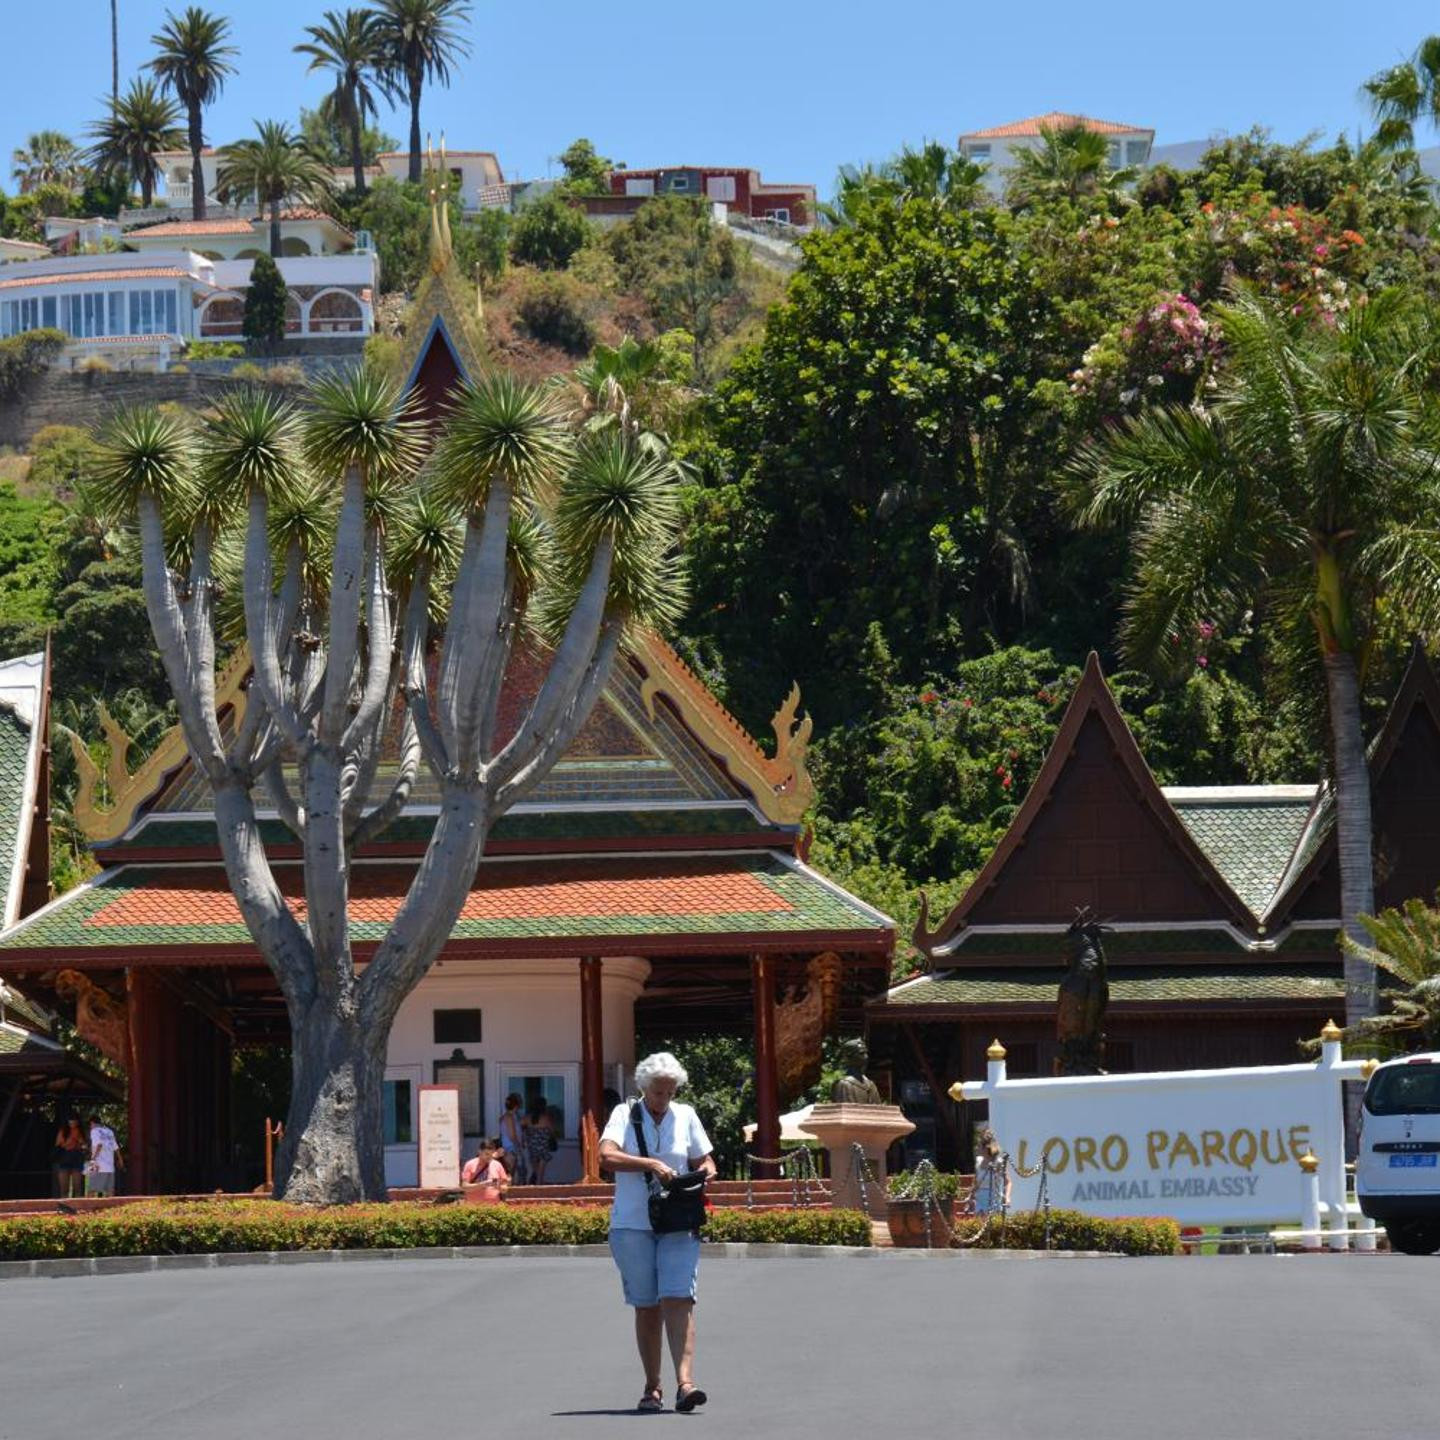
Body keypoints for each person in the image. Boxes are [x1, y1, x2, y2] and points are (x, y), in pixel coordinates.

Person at [599, 1051, 716, 1415]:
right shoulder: (624, 1114)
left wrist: (706, 1171)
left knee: (679, 1298)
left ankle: (685, 1384)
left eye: (670, 1092)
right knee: (647, 1306)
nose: (664, 1099)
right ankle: (653, 1386)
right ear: (644, 1087)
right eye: (658, 1092)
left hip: (678, 1222)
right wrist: (650, 1164)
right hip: (633, 1224)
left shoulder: (686, 1115)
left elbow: (705, 1159)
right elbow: (606, 1156)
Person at [972, 1127, 1011, 1215]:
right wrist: (970, 1197)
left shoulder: (999, 1162)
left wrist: (1007, 1197)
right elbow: (976, 1183)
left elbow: (1008, 1182)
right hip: (980, 1199)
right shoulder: (978, 1161)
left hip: (994, 1199)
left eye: (979, 1145)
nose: (977, 1148)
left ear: (986, 1148)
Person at [84, 1115, 123, 1197]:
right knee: (110, 1191)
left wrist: (93, 1159)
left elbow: (99, 1145)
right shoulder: (109, 1131)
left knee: (91, 1190)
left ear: (92, 1123)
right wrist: (120, 1160)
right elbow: (116, 1147)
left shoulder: (94, 1131)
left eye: (90, 1125)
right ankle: (110, 1206)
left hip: (98, 1164)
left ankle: (88, 1206)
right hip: (110, 1165)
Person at [54, 1117, 86, 1199]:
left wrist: (80, 1142)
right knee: (64, 1187)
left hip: (77, 1157)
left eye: (74, 1120)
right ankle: (64, 1204)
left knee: (77, 1186)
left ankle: (77, 1204)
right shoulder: (63, 1131)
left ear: (77, 1122)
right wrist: (69, 1142)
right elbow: (58, 1144)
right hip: (65, 1157)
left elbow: (84, 1145)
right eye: (71, 1120)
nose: (72, 1122)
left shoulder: (80, 1131)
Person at [524, 1096, 554, 1186]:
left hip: (532, 1147)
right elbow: (552, 1130)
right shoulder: (546, 1118)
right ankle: (538, 1189)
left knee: (537, 1172)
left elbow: (520, 1126)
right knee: (540, 1174)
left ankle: (536, 1185)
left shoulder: (527, 1118)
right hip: (543, 1147)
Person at [498, 1093, 525, 1182]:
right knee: (510, 1174)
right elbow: (512, 1135)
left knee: (513, 1174)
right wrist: (519, 1146)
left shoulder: (511, 1116)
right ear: (516, 1105)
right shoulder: (509, 1117)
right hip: (510, 1148)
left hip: (510, 1147)